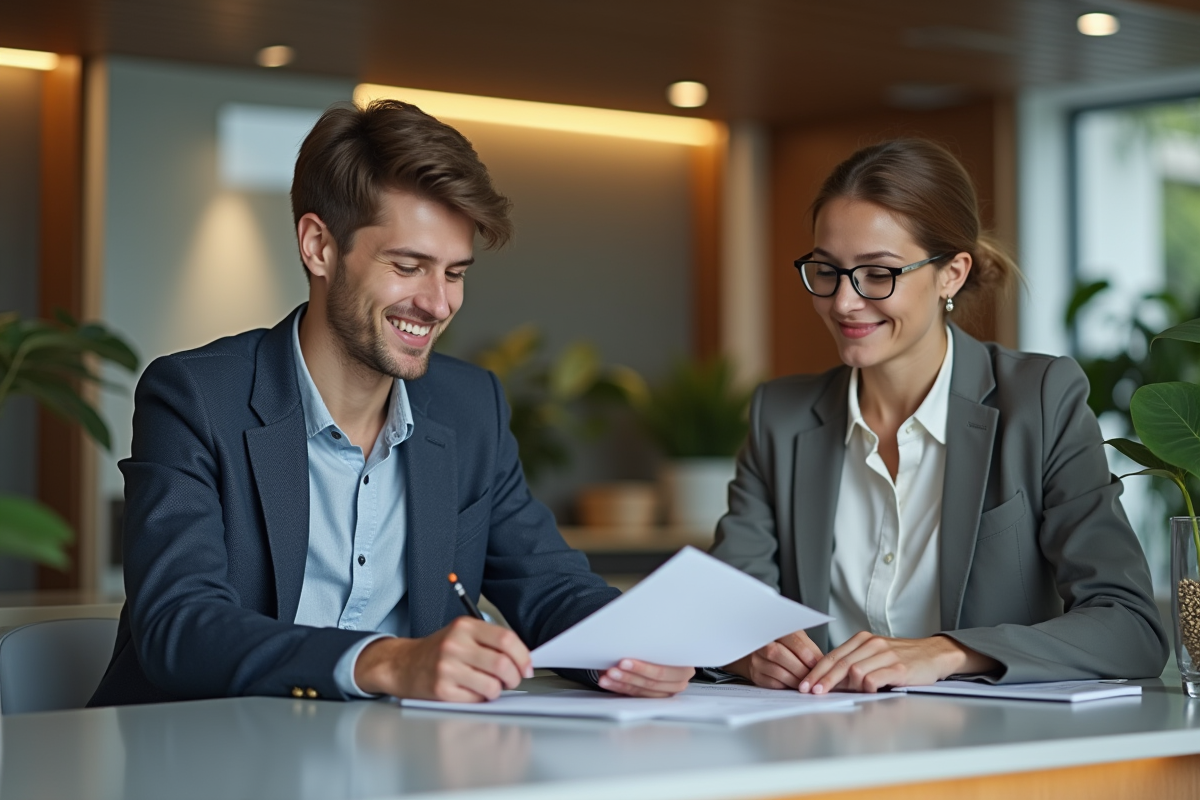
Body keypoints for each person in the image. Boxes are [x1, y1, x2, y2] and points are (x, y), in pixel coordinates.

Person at [90, 99, 693, 706]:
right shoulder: (196, 397)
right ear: (319, 247)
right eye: (409, 266)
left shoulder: (470, 407)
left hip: (400, 764)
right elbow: (179, 626)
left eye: (454, 273)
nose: (437, 304)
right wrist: (385, 661)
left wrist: (644, 648)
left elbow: (552, 587)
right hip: (202, 760)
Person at [710, 139, 1167, 694]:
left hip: (986, 757)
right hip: (814, 750)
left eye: (878, 273)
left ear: (951, 273)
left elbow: (1130, 626)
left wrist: (947, 652)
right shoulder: (779, 417)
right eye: (826, 270)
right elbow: (723, 613)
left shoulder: (1040, 400)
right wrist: (747, 652)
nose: (843, 303)